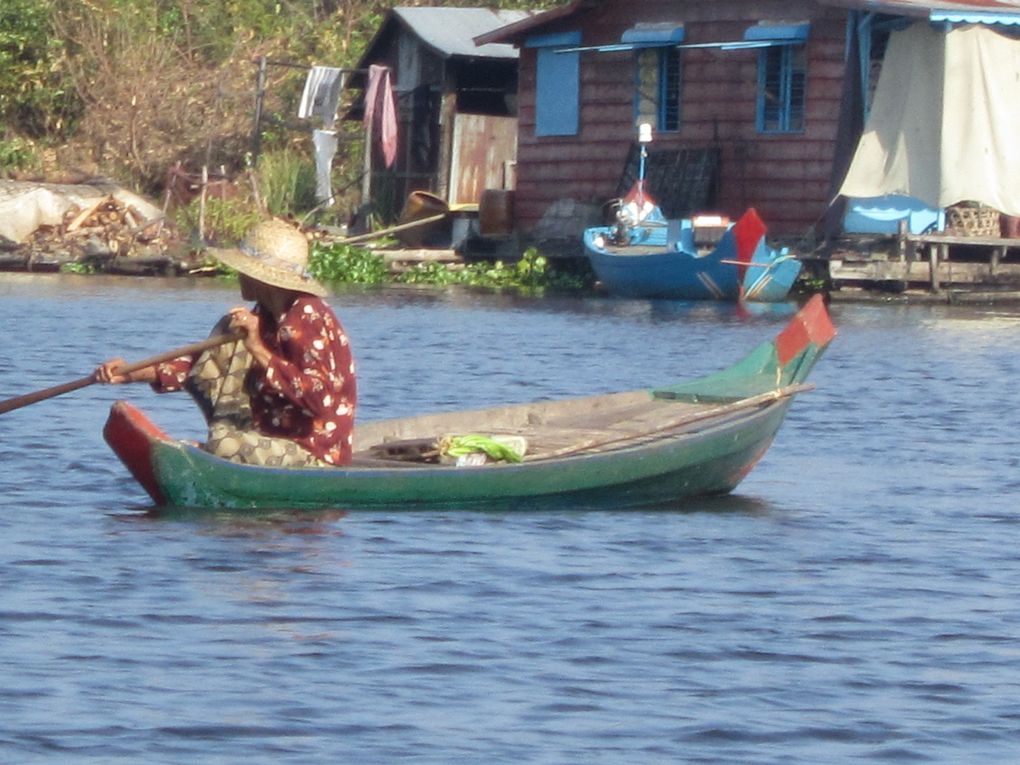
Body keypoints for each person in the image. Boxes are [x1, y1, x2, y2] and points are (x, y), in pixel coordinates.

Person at [97, 218, 356, 467]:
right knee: (230, 329)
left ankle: (219, 451)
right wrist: (129, 373)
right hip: (267, 435)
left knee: (224, 447)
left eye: (245, 270)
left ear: (265, 279)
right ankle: (221, 447)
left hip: (313, 451)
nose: (239, 275)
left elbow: (320, 401)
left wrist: (257, 348)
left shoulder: (306, 318)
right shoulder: (263, 315)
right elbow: (196, 366)